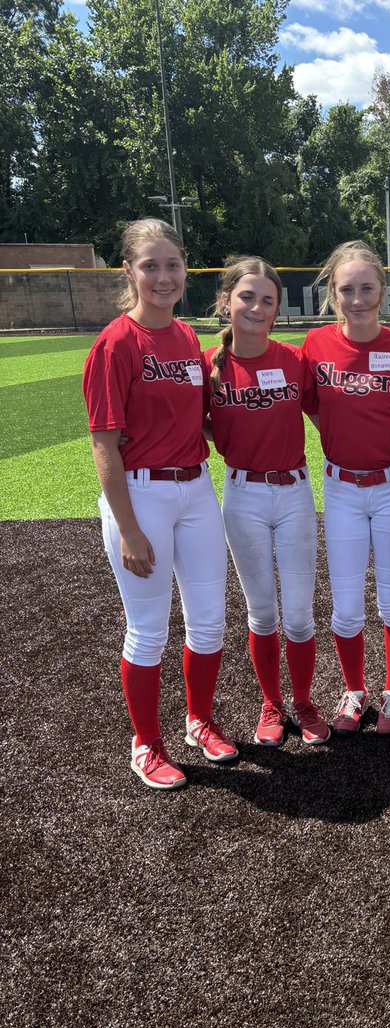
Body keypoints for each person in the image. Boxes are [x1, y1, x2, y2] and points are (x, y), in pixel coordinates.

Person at [83, 217, 236, 791]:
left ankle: (199, 721)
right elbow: (103, 443)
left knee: (210, 623)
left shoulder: (189, 337)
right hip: (140, 494)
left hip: (196, 488)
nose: (164, 276)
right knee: (148, 630)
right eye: (151, 266)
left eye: (173, 265)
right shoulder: (115, 342)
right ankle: (146, 743)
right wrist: (128, 527)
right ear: (129, 271)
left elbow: (197, 417)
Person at [204, 257, 329, 749]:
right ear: (226, 301)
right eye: (247, 297)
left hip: (295, 490)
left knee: (298, 614)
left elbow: (329, 415)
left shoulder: (294, 360)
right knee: (262, 614)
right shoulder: (207, 366)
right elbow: (197, 423)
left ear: (278, 308)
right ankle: (271, 703)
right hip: (242, 493)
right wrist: (230, 445)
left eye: (267, 300)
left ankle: (303, 700)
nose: (256, 307)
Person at [301, 241, 390, 735]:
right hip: (343, 487)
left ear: (383, 291)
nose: (357, 298)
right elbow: (312, 405)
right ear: (332, 293)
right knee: (347, 606)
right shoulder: (316, 345)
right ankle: (354, 690)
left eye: (367, 287)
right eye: (346, 289)